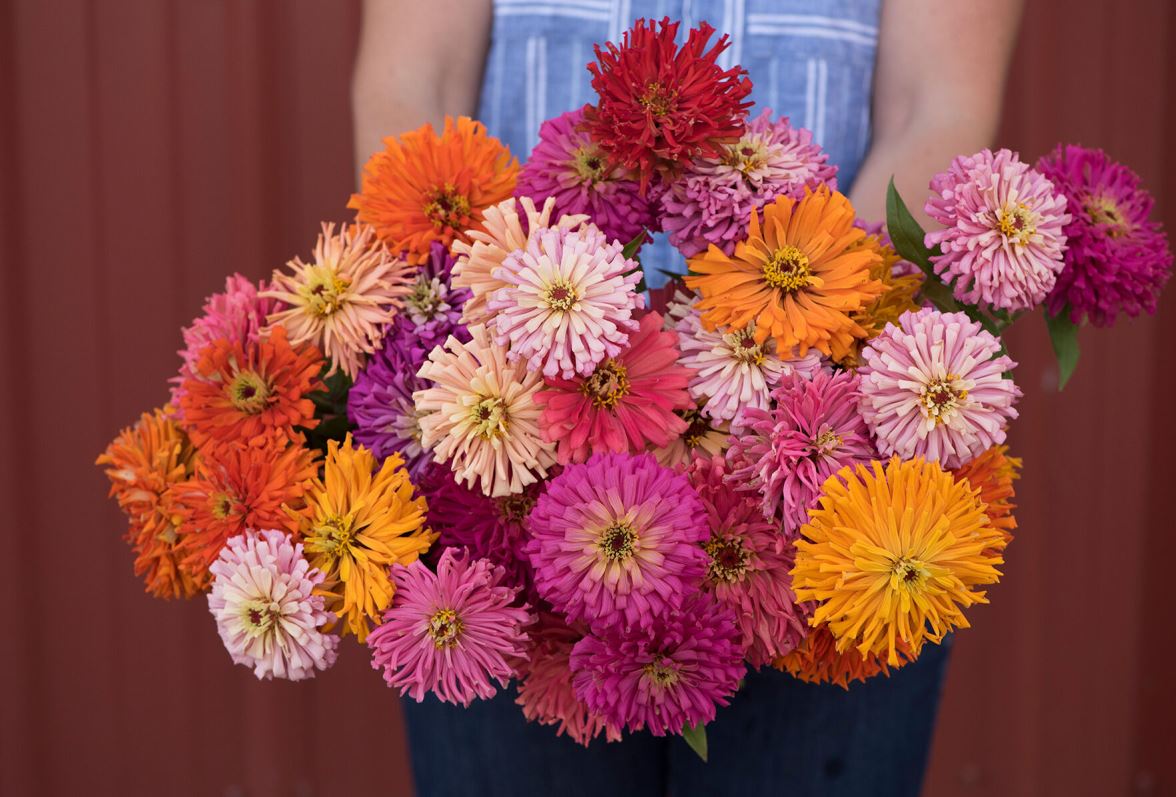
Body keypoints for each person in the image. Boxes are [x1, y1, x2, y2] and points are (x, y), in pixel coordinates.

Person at [352, 1, 1022, 794]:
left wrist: (806, 352)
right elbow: (410, 87)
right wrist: (495, 354)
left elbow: (936, 108)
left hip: (819, 466)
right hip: (508, 441)